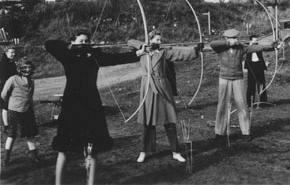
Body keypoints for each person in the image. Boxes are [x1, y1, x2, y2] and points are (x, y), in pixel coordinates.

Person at [44, 29, 141, 185]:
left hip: (91, 104)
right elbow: (49, 44)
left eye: (87, 41)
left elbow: (116, 58)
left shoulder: (94, 56)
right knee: (64, 148)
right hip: (72, 104)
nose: (85, 44)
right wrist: (74, 47)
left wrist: (138, 53)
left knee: (93, 149)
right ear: (73, 42)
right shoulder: (67, 55)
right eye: (81, 41)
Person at [129, 30, 203, 163]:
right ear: (149, 39)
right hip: (147, 88)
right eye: (157, 40)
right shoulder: (142, 51)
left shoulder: (164, 52)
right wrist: (142, 47)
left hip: (162, 87)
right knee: (148, 122)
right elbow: (130, 41)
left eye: (160, 40)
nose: (160, 42)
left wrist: (195, 50)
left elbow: (180, 52)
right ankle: (143, 151)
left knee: (169, 121)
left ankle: (176, 151)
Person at [210, 29, 278, 142]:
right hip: (224, 79)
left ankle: (246, 132)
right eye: (233, 38)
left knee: (242, 104)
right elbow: (213, 44)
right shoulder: (220, 47)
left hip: (238, 79)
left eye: (236, 38)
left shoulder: (241, 47)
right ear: (227, 38)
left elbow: (256, 48)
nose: (236, 40)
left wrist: (272, 46)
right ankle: (219, 133)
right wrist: (228, 44)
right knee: (222, 105)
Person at [1, 58, 39, 166]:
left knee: (30, 134)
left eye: (29, 67)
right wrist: (13, 102)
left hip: (27, 110)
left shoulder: (32, 81)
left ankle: (34, 157)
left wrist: (29, 106)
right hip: (15, 111)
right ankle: (6, 158)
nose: (27, 69)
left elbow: (30, 95)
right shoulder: (13, 79)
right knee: (12, 134)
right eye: (24, 68)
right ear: (19, 69)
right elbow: (4, 94)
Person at [244, 35, 268, 108]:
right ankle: (250, 103)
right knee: (251, 85)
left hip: (259, 66)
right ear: (251, 41)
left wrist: (275, 46)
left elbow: (266, 48)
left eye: (257, 41)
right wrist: (250, 45)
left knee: (261, 85)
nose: (256, 43)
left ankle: (263, 103)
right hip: (251, 66)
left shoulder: (259, 47)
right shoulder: (247, 47)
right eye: (254, 41)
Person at [0, 46, 17, 133]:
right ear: (6, 53)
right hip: (5, 87)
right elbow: (4, 77)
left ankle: (14, 124)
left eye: (14, 52)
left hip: (12, 86)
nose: (13, 54)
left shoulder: (11, 62)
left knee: (13, 105)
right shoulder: (4, 63)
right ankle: (6, 126)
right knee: (5, 107)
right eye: (11, 52)